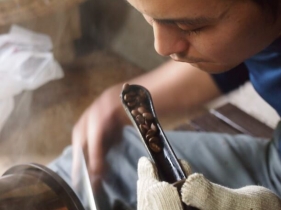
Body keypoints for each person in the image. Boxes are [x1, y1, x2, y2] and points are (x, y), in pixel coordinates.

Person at [49, 0, 281, 209]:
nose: (161, 47)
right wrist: (115, 106)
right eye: (149, 17)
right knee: (78, 174)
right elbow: (237, 54)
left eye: (190, 27)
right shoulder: (258, 29)